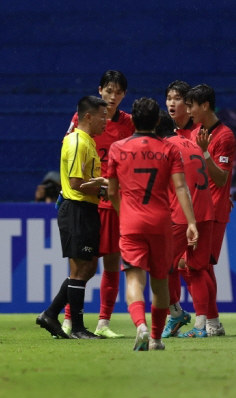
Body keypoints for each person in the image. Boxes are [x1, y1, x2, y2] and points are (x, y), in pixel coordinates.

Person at [106, 97, 198, 351]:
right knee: (160, 282)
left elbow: (112, 191)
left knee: (134, 280)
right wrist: (191, 222)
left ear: (133, 120)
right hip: (161, 222)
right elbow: (180, 187)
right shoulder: (169, 149)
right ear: (158, 121)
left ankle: (141, 327)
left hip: (132, 223)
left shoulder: (117, 148)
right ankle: (156, 339)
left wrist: (123, 212)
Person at [63, 70, 134, 338]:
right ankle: (69, 318)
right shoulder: (83, 120)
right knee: (83, 264)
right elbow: (69, 149)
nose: (113, 97)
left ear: (124, 95)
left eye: (118, 92)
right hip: (88, 199)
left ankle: (104, 322)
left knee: (113, 262)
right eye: (109, 91)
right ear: (100, 90)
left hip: (114, 202)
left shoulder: (129, 123)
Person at [35, 96, 108, 340]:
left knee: (87, 268)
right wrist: (105, 188)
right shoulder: (78, 141)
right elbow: (77, 184)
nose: (105, 121)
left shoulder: (87, 141)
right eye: (102, 116)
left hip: (85, 209)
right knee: (80, 270)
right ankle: (77, 328)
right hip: (77, 208)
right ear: (88, 116)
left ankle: (50, 313)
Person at [156, 111, 217, 339]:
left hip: (182, 214)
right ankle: (201, 325)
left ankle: (175, 313)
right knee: (196, 269)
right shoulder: (190, 143)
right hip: (205, 211)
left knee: (163, 266)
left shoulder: (165, 148)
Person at [188, 84, 236, 336]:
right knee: (201, 266)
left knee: (200, 266)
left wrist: (206, 152)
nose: (189, 110)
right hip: (197, 207)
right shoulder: (196, 131)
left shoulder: (225, 136)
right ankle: (211, 323)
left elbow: (219, 179)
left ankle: (208, 322)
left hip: (214, 210)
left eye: (191, 106)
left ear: (205, 105)